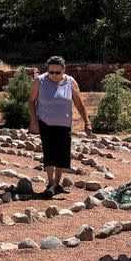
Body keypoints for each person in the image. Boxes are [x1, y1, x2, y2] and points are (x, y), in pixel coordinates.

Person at [28, 56, 92, 198]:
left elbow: (79, 104)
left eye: (58, 72)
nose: (54, 75)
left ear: (64, 71)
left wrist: (87, 122)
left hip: (64, 125)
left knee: (62, 155)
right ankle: (51, 184)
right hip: (45, 123)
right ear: (47, 70)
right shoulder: (40, 81)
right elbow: (31, 101)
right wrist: (34, 121)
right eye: (51, 72)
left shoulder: (70, 82)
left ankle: (57, 183)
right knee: (50, 154)